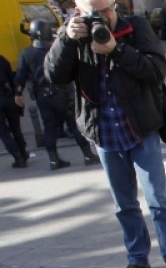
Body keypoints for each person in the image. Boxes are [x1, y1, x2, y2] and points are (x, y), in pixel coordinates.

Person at [44, 0, 166, 268]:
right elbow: (53, 76)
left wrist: (117, 50)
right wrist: (65, 40)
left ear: (115, 5)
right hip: (104, 133)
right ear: (77, 11)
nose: (101, 18)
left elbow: (156, 70)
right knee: (123, 203)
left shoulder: (135, 28)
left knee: (158, 200)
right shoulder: (73, 35)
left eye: (106, 10)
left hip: (140, 129)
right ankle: (137, 259)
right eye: (92, 13)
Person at [14, 19, 101, 171]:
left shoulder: (26, 53)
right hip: (63, 93)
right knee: (74, 125)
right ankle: (88, 155)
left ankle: (53, 160)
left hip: (43, 96)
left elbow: (20, 76)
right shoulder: (56, 48)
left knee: (49, 127)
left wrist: (18, 93)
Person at [1, 54, 28, 169]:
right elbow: (13, 78)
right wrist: (17, 94)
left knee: (3, 132)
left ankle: (17, 157)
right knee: (16, 128)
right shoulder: (2, 59)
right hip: (8, 97)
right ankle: (23, 153)